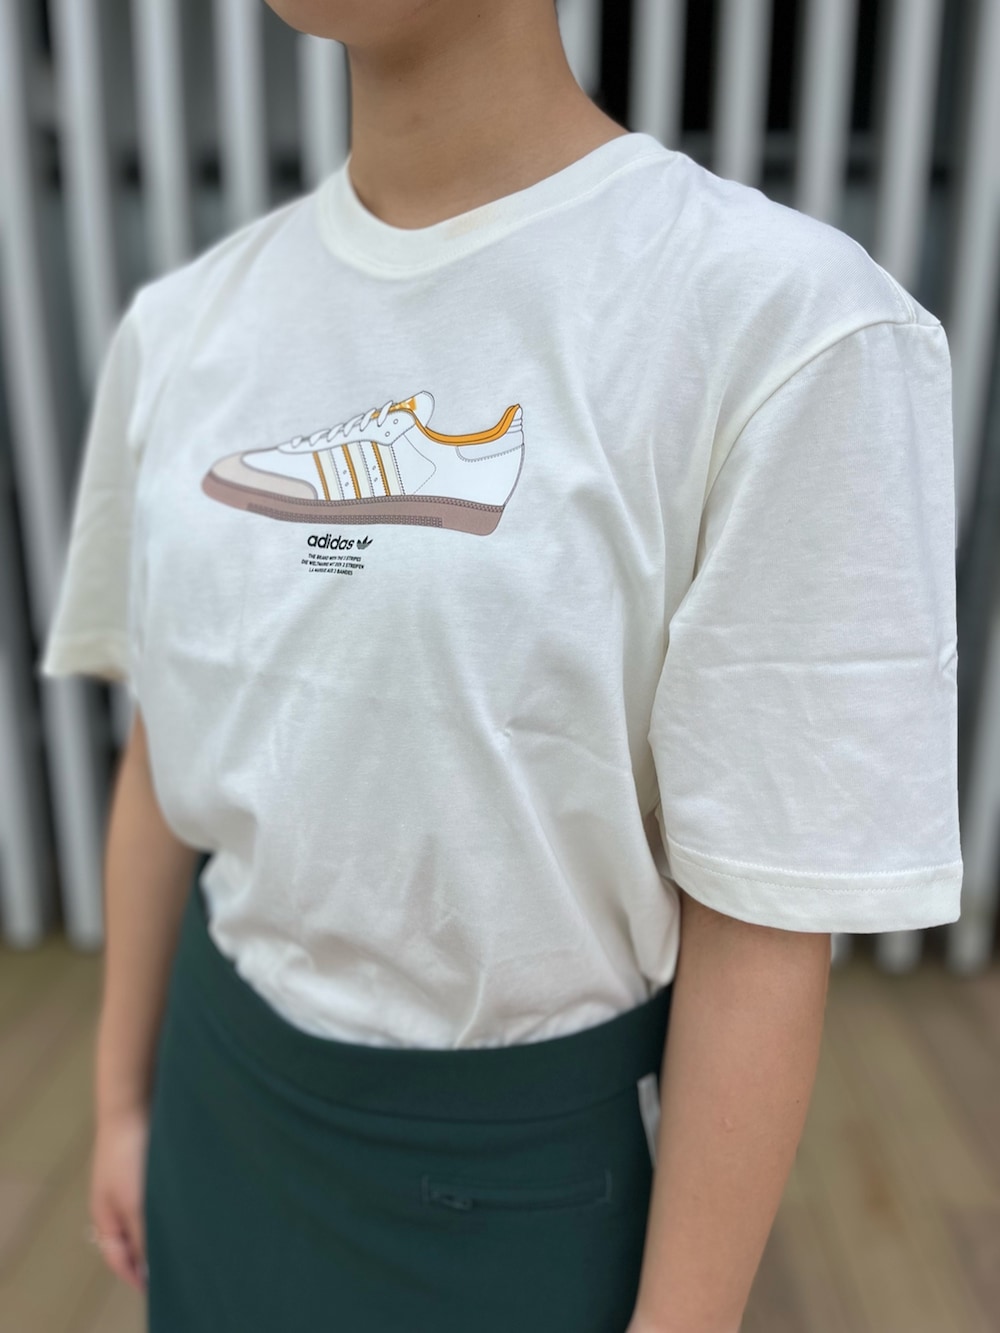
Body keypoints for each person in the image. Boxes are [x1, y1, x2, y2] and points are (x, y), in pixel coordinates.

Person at [37, 1, 964, 1329]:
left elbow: (763, 910)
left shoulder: (783, 325)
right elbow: (162, 751)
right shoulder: (186, 325)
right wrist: (124, 1104)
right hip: (218, 1093)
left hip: (520, 1171)